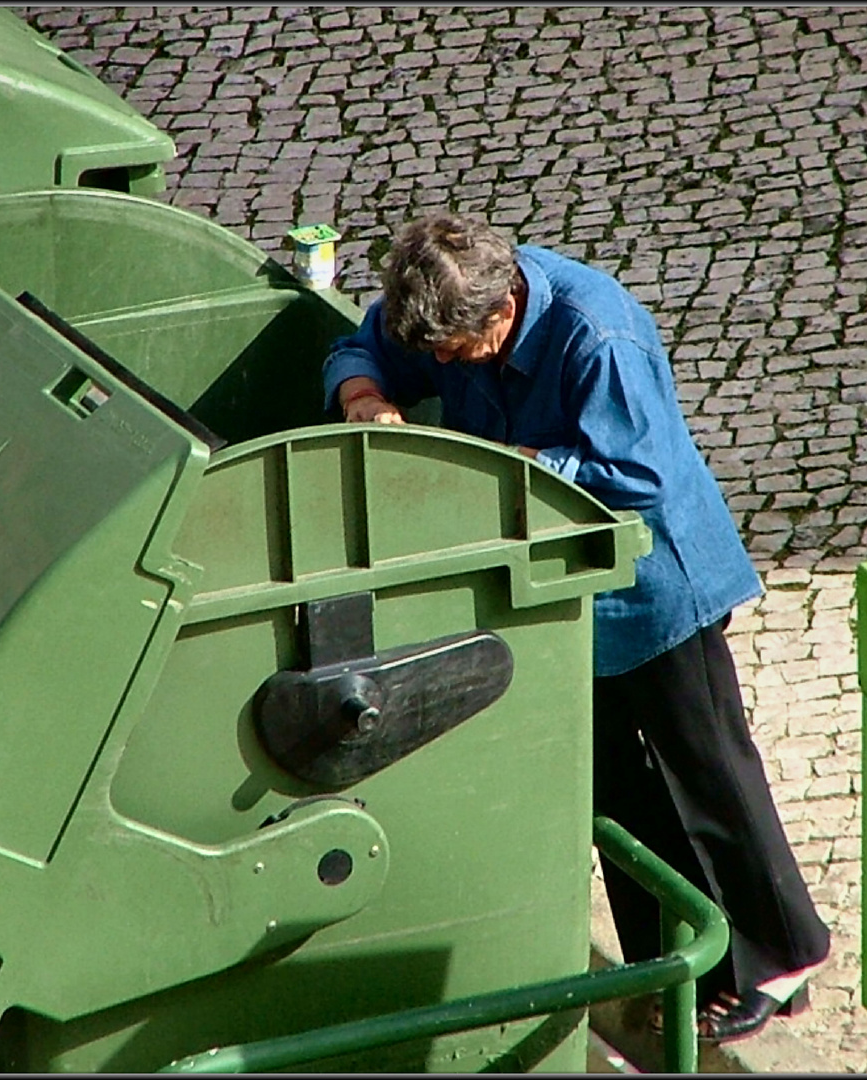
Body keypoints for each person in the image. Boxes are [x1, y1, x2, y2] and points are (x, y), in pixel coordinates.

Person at [321, 210, 831, 1043]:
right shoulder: (441, 308)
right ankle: (674, 963)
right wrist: (364, 394)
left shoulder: (600, 336)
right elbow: (364, 343)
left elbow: (635, 475)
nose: (441, 365)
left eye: (455, 351)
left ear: (502, 309)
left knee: (706, 777)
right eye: (434, 353)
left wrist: (503, 466)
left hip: (657, 588)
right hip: (558, 593)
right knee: (612, 785)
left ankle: (779, 959)